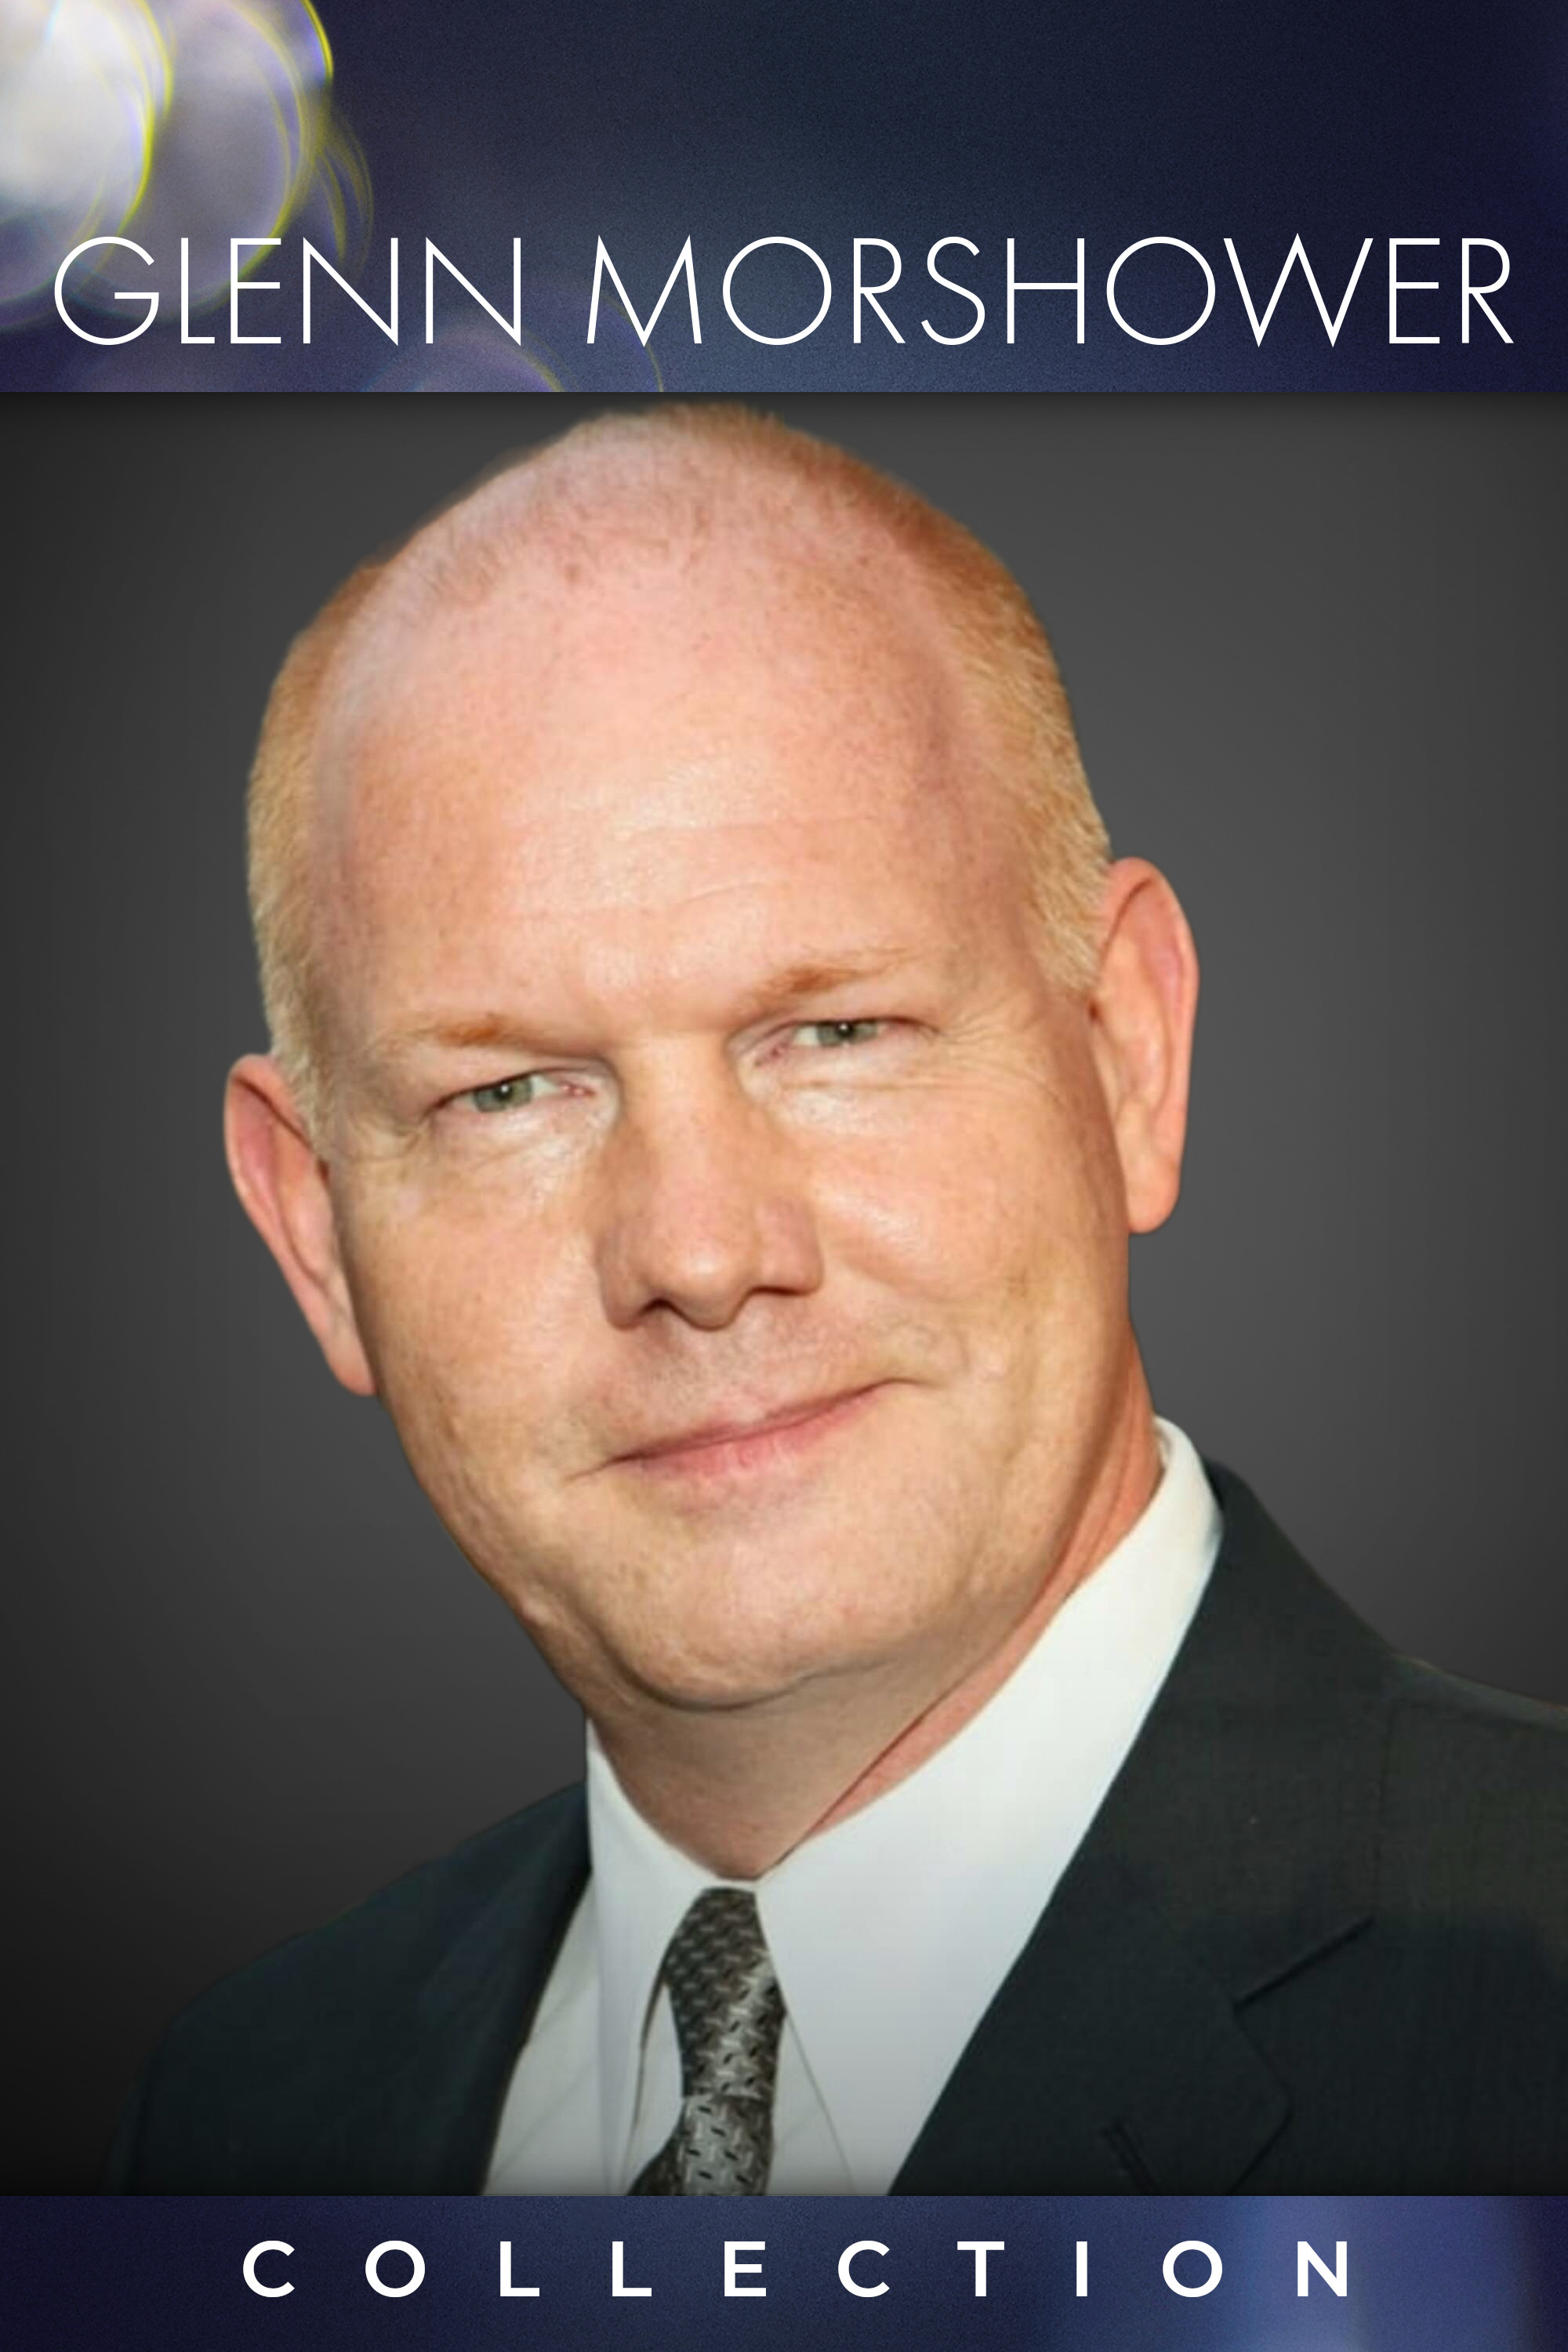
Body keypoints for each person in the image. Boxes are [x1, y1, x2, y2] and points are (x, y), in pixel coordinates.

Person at [108, 404, 1568, 2195]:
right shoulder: (239, 2127)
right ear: (317, 1234)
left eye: (834, 1032)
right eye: (509, 1093)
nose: (699, 1251)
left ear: (1125, 1057)